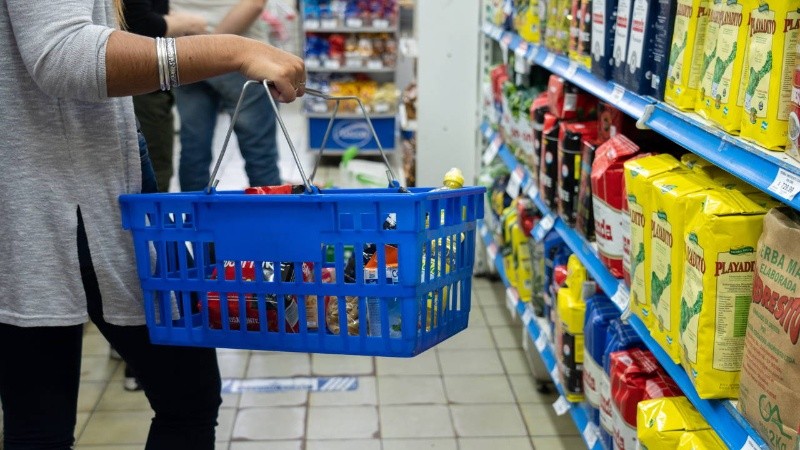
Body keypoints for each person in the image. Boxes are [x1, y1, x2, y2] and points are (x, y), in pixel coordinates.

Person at [0, 1, 305, 448]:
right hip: (65, 189)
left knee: (37, 419)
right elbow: (65, 54)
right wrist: (231, 50)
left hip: (40, 181)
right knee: (188, 399)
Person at [117, 0, 208, 393]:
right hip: (137, 87)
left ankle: (142, 339)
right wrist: (183, 25)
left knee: (148, 205)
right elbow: (138, 26)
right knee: (146, 208)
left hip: (147, 87)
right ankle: (143, 342)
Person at [171, 0, 284, 192]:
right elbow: (255, 4)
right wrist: (214, 48)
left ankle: (195, 220)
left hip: (184, 51)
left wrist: (199, 51)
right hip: (241, 53)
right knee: (259, 153)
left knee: (193, 149)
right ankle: (269, 218)